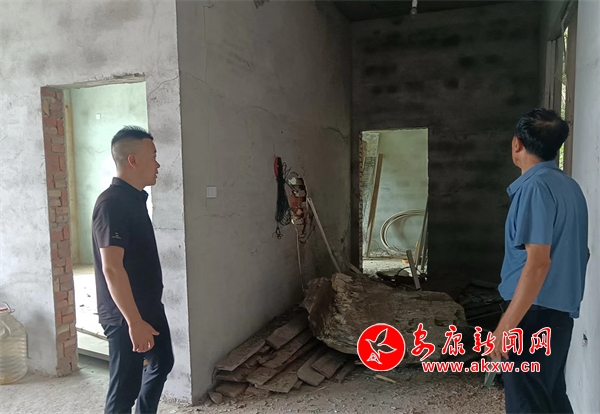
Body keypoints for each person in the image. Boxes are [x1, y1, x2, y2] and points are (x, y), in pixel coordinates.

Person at [490, 109, 589, 413]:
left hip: (532, 316)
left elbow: (538, 263)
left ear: (516, 144)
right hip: (557, 314)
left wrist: (506, 326)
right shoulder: (569, 187)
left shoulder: (535, 188)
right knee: (551, 399)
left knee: (528, 404)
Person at [92, 126, 173, 414]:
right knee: (124, 391)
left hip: (147, 306)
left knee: (162, 361)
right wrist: (134, 322)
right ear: (133, 160)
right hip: (125, 314)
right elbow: (112, 268)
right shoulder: (112, 204)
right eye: (153, 156)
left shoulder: (134, 199)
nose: (158, 164)